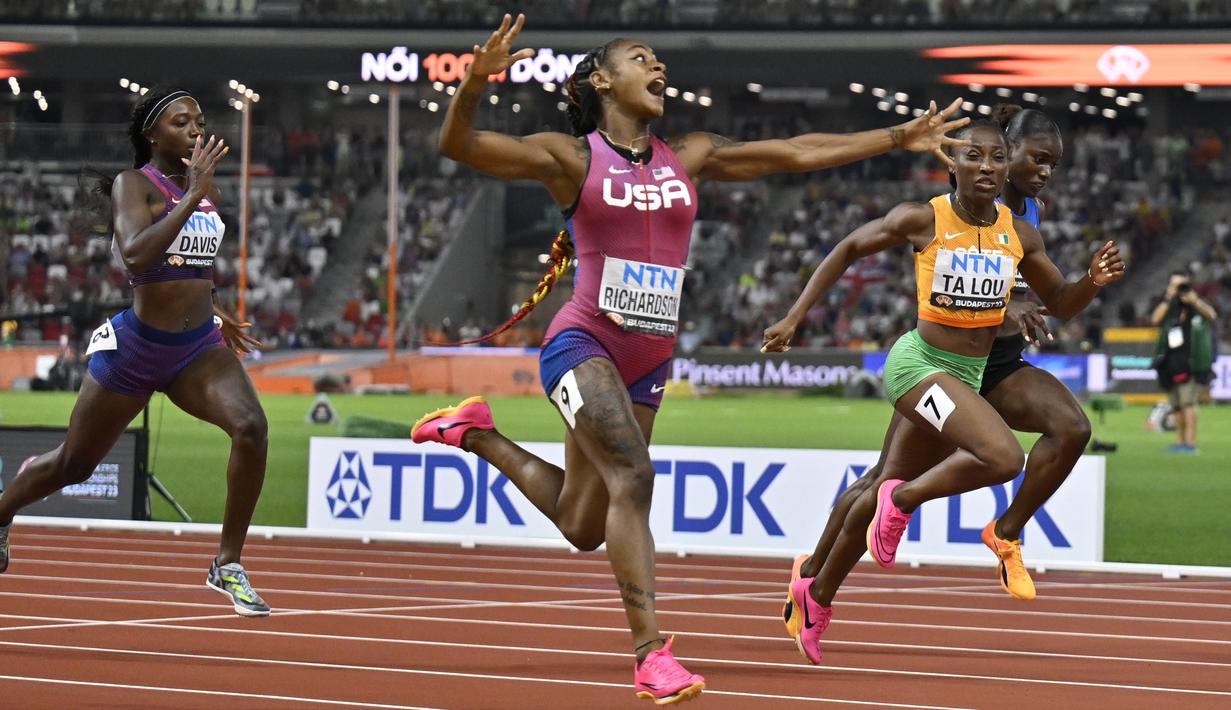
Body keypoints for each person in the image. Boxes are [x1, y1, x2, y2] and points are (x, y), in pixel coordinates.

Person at [411, 13, 968, 704]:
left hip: (648, 358)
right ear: (600, 80)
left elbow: (794, 151)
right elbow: (458, 143)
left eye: (658, 59)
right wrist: (472, 81)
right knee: (634, 478)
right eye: (640, 57)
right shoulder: (571, 157)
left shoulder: (691, 155)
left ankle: (476, 432)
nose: (658, 67)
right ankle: (650, 655)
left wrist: (896, 136)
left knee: (584, 523)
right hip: (582, 342)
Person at [762, 120, 1124, 665]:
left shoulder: (1023, 229)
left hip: (977, 372)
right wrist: (793, 318)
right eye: (976, 157)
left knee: (889, 481)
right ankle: (879, 521)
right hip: (922, 365)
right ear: (954, 162)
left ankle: (814, 595)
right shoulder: (925, 216)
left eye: (996, 159)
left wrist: (1092, 280)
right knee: (974, 463)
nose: (990, 167)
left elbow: (1060, 301)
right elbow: (848, 248)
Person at [0, 88, 271, 617]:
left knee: (252, 427)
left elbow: (191, 265)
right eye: (181, 122)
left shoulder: (198, 188)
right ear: (153, 134)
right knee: (74, 466)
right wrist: (192, 194)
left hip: (198, 349)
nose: (195, 130)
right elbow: (136, 257)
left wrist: (218, 312)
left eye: (198, 121)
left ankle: (227, 563)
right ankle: (3, 511)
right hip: (138, 349)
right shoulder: (135, 185)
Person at [1151, 271, 1217, 454]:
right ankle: (1180, 441)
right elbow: (1155, 319)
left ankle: (1191, 443)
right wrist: (1168, 298)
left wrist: (1193, 300)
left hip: (1192, 363)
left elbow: (1211, 315)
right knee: (1176, 405)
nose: (1179, 290)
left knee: (1188, 403)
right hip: (1171, 364)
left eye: (1182, 285)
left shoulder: (1195, 305)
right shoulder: (1169, 307)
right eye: (1175, 285)